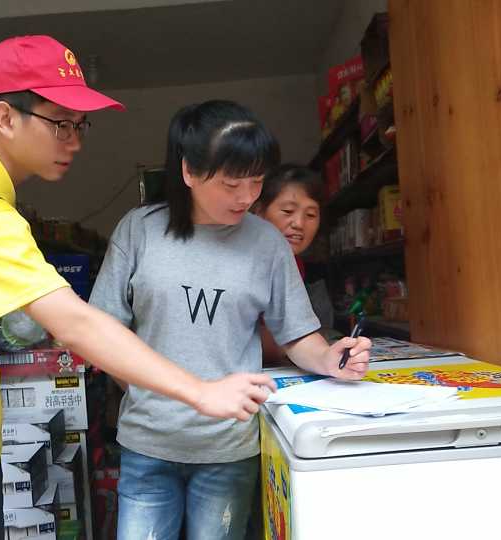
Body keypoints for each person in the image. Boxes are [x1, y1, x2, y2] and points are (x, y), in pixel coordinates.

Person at [0, 36, 274, 539]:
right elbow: (75, 323)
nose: (74, 141)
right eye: (60, 123)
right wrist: (201, 391)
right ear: (6, 117)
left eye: (79, 125)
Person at [89, 100, 372, 540]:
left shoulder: (267, 243)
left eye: (257, 182)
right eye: (231, 183)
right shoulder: (139, 230)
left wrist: (330, 358)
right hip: (148, 445)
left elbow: (297, 334)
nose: (247, 197)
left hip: (229, 449)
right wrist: (143, 390)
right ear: (189, 171)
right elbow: (101, 332)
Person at [253, 164, 324, 366]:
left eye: (311, 215)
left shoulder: (295, 264)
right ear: (258, 212)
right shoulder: (241, 262)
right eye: (288, 211)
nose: (299, 223)